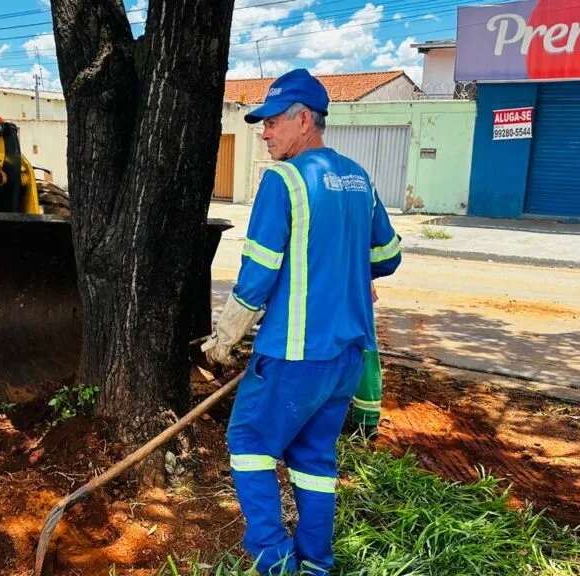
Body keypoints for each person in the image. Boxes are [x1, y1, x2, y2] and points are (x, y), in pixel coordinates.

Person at [202, 68, 402, 575]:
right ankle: (316, 564)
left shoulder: (285, 181)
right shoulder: (359, 179)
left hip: (294, 354)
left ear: (304, 120)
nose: (264, 132)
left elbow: (257, 275)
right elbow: (389, 255)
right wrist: (345, 269)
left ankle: (273, 560)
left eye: (272, 122)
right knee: (313, 460)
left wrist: (224, 340)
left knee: (248, 441)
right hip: (345, 359)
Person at [346, 282, 383, 440]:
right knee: (363, 347)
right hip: (358, 285)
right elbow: (385, 261)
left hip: (319, 286)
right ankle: (367, 419)